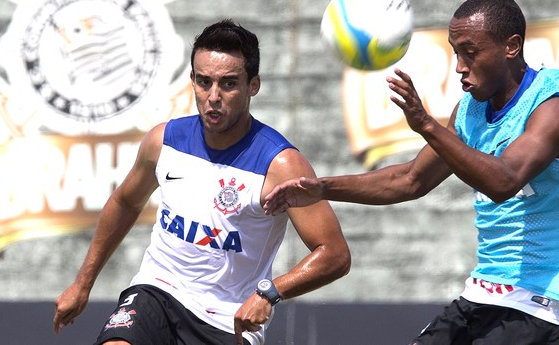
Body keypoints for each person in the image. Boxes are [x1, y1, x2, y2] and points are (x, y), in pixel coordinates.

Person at [264, 0, 559, 345]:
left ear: (512, 46)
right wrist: (323, 188)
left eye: (470, 52)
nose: (460, 66)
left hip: (540, 307)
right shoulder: (471, 111)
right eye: (455, 52)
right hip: (483, 294)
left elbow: (504, 181)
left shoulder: (555, 109)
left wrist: (426, 125)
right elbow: (410, 179)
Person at [53, 19, 351, 345]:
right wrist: (83, 283)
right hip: (157, 290)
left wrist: (269, 293)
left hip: (226, 320)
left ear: (254, 85)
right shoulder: (164, 141)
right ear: (192, 80)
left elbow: (334, 254)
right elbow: (125, 202)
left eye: (228, 84)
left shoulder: (281, 164)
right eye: (204, 82)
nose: (213, 97)